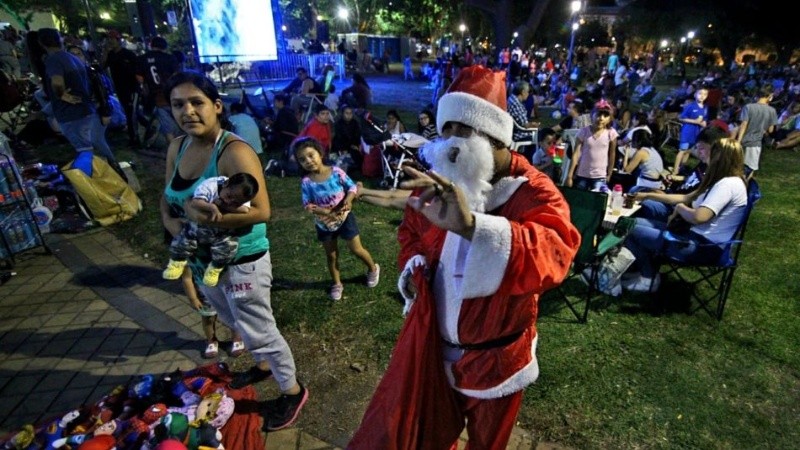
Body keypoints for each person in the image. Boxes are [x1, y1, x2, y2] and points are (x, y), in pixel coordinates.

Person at [349, 65, 580, 449]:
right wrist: (415, 265)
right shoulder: (445, 177)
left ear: (498, 137)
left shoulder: (534, 192)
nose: (452, 144)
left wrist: (473, 227)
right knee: (430, 434)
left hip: (497, 363)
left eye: (465, 130)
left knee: (487, 444)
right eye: (446, 131)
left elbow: (555, 254)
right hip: (434, 350)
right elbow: (412, 232)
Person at [160, 70, 307, 431]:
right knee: (231, 320)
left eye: (197, 102)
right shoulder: (177, 147)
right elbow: (167, 200)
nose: (188, 111)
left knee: (258, 328)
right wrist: (175, 225)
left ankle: (292, 390)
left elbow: (262, 211)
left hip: (241, 261)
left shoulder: (234, 152)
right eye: (179, 104)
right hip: (202, 260)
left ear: (217, 106)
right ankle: (261, 367)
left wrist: (204, 221)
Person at [619, 138, 748, 292]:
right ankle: (646, 273)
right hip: (694, 237)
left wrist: (679, 209)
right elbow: (685, 198)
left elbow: (699, 217)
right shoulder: (723, 180)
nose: (708, 157)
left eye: (712, 153)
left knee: (627, 228)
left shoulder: (728, 185)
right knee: (629, 222)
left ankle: (648, 278)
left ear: (720, 158)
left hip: (702, 247)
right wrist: (646, 196)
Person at [293, 137, 380, 301]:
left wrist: (348, 200)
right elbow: (308, 205)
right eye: (302, 159)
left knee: (356, 249)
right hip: (324, 223)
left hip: (345, 218)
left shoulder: (336, 172)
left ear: (320, 153)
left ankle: (373, 268)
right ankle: (337, 283)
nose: (308, 161)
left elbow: (352, 187)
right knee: (332, 256)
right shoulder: (306, 182)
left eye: (311, 155)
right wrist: (326, 213)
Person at [163, 172, 260, 287]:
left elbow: (244, 210)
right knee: (185, 239)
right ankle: (177, 261)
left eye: (235, 202)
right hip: (199, 226)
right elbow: (195, 202)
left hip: (222, 230)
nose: (229, 202)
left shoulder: (240, 195)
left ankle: (215, 268)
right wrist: (212, 207)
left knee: (228, 246)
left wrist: (223, 206)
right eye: (229, 196)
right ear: (225, 184)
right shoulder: (210, 185)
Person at [37, 28, 118, 164]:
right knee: (93, 145)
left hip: (71, 114)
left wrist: (62, 95)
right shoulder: (72, 58)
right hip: (85, 110)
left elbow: (57, 82)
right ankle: (112, 171)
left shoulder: (54, 60)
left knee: (85, 150)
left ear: (41, 43)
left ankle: (97, 178)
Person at [633, 125, 729, 224]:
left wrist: (651, 196)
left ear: (715, 149)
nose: (698, 152)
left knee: (642, 203)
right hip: (672, 196)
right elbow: (690, 180)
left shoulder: (715, 176)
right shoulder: (704, 163)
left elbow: (688, 200)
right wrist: (675, 178)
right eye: (698, 147)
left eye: (702, 148)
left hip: (675, 208)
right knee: (635, 190)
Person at [180, 268, 245, 359]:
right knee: (208, 319)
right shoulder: (191, 259)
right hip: (206, 296)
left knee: (233, 317)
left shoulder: (221, 255)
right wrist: (193, 299)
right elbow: (187, 278)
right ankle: (211, 340)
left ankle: (237, 338)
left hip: (227, 292)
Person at [136, 36, 181, 146]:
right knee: (182, 122)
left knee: (167, 127)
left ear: (151, 45)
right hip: (173, 94)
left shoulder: (142, 59)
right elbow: (176, 76)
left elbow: (140, 78)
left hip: (157, 97)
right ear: (164, 46)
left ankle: (173, 152)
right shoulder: (170, 58)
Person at [566, 99, 619, 191]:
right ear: (592, 115)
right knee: (580, 200)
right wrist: (569, 176)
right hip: (582, 174)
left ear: (609, 118)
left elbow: (612, 155)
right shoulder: (584, 131)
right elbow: (576, 154)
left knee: (596, 201)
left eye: (605, 116)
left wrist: (609, 174)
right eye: (598, 114)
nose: (601, 118)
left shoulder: (611, 133)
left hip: (600, 176)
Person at [101, 30, 139, 146]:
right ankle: (146, 127)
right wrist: (105, 52)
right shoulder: (111, 54)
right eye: (108, 40)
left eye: (112, 39)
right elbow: (102, 66)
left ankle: (134, 138)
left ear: (118, 40)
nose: (110, 42)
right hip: (119, 87)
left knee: (130, 112)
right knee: (130, 111)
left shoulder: (128, 54)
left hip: (131, 87)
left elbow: (138, 69)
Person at [735, 84, 776, 179]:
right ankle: (744, 188)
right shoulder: (772, 110)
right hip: (756, 143)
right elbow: (771, 130)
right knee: (750, 169)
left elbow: (743, 125)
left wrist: (738, 140)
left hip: (744, 141)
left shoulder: (748, 107)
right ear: (770, 96)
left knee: (738, 165)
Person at [671, 86, 709, 175]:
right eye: (700, 93)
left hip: (696, 133)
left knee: (688, 151)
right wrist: (694, 121)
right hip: (687, 131)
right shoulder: (691, 106)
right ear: (695, 95)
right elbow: (681, 118)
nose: (702, 96)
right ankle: (675, 169)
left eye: (705, 94)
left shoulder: (705, 108)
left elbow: (705, 120)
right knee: (682, 150)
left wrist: (704, 123)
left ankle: (682, 168)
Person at [621, 128, 664, 194]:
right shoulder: (652, 150)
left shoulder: (641, 152)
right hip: (656, 182)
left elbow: (626, 171)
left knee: (625, 185)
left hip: (646, 184)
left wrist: (626, 153)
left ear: (638, 140)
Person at [332, 104, 363, 169]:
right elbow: (339, 138)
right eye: (346, 113)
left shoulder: (355, 123)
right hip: (342, 146)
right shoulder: (339, 124)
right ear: (342, 114)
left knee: (358, 157)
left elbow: (357, 135)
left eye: (350, 113)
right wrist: (349, 146)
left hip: (353, 146)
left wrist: (356, 145)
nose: (349, 115)